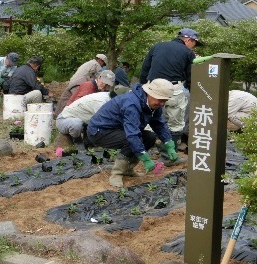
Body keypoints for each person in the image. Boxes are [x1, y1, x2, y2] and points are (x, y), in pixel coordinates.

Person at [87, 79, 180, 187]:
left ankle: (128, 169)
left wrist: (168, 143)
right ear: (150, 93)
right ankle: (117, 173)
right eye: (160, 100)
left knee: (149, 137)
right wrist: (144, 158)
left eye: (164, 101)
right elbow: (132, 135)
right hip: (100, 131)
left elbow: (158, 123)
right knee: (132, 140)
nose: (162, 103)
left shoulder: (153, 104)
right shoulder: (132, 104)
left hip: (119, 129)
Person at [140, 28, 203, 166]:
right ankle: (169, 156)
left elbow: (145, 68)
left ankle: (150, 152)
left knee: (152, 120)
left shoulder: (157, 46)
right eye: (195, 43)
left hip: (153, 88)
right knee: (175, 122)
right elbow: (190, 76)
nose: (194, 46)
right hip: (173, 89)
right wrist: (194, 92)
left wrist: (143, 87)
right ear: (188, 40)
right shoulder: (188, 53)